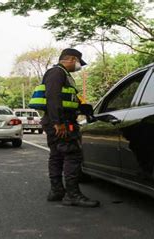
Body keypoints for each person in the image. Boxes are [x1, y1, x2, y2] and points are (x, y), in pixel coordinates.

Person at [41, 48, 100, 208]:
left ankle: (57, 191)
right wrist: (58, 122)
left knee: (57, 155)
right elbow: (53, 98)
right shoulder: (57, 73)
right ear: (72, 59)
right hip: (61, 123)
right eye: (79, 62)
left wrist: (81, 108)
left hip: (57, 121)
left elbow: (66, 99)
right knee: (72, 155)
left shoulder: (59, 74)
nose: (79, 66)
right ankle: (72, 195)